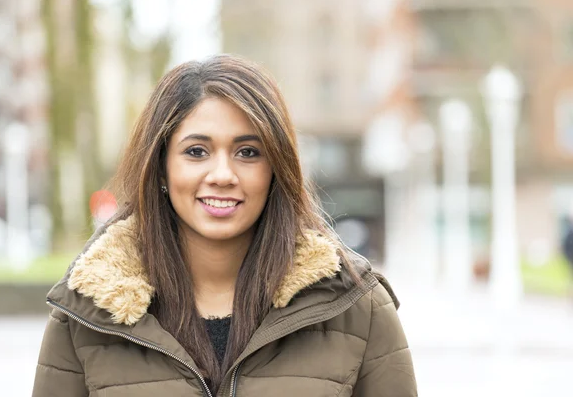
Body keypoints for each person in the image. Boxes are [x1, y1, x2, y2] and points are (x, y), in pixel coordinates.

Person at [32, 54, 417, 397]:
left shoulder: (357, 305)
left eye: (248, 152)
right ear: (162, 167)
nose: (222, 174)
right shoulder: (84, 313)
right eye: (196, 151)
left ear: (276, 170)